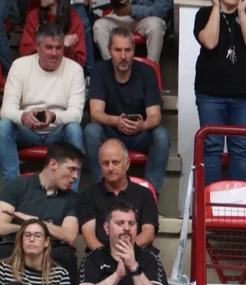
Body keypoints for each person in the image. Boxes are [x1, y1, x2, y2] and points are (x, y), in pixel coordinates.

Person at [86, 27, 171, 196]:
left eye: (128, 50)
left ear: (134, 50)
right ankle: (101, 192)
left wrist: (142, 125)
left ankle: (150, 195)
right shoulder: (99, 70)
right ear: (109, 50)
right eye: (118, 50)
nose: (123, 56)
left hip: (140, 134)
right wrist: (116, 121)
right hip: (111, 132)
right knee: (91, 131)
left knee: (162, 135)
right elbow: (95, 113)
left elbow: (155, 116)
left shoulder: (147, 72)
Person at [0, 26, 84, 183]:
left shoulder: (75, 70)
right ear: (37, 47)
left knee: (74, 129)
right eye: (49, 47)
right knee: (4, 126)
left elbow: (76, 115)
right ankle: (12, 187)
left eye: (59, 47)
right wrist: (23, 116)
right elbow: (6, 110)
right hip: (26, 130)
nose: (54, 53)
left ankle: (72, 191)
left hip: (58, 131)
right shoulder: (20, 66)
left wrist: (53, 116)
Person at [194, 0, 246, 185]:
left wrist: (242, 12)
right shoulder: (204, 14)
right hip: (210, 94)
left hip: (245, 96)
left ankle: (237, 200)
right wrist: (216, 7)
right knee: (211, 148)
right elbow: (210, 42)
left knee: (240, 150)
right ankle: (208, 199)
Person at [76, 201, 167, 285]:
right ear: (107, 228)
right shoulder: (93, 258)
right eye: (120, 223)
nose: (127, 228)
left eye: (131, 223)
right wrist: (117, 276)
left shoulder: (150, 259)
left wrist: (134, 268)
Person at [0, 142, 82, 278]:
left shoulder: (72, 198)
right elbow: (1, 226)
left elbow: (69, 235)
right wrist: (28, 229)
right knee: (4, 251)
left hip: (52, 249)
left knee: (66, 256)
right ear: (53, 164)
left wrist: (35, 222)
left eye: (77, 171)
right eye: (71, 169)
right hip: (16, 244)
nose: (75, 176)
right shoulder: (16, 185)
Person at [78, 139, 158, 250]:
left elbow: (148, 234)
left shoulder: (145, 194)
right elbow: (89, 237)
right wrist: (109, 256)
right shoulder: (88, 195)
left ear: (127, 164)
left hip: (138, 253)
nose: (110, 168)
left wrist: (124, 253)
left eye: (115, 162)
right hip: (100, 255)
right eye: (105, 163)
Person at [93, 0, 170, 65]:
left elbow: (162, 10)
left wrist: (132, 10)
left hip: (148, 18)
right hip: (123, 16)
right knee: (99, 26)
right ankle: (112, 69)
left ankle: (151, 71)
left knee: (156, 26)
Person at [21, 0, 87, 68]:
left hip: (64, 71)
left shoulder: (75, 21)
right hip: (36, 69)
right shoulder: (34, 16)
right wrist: (59, 43)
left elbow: (79, 63)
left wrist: (68, 50)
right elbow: (25, 52)